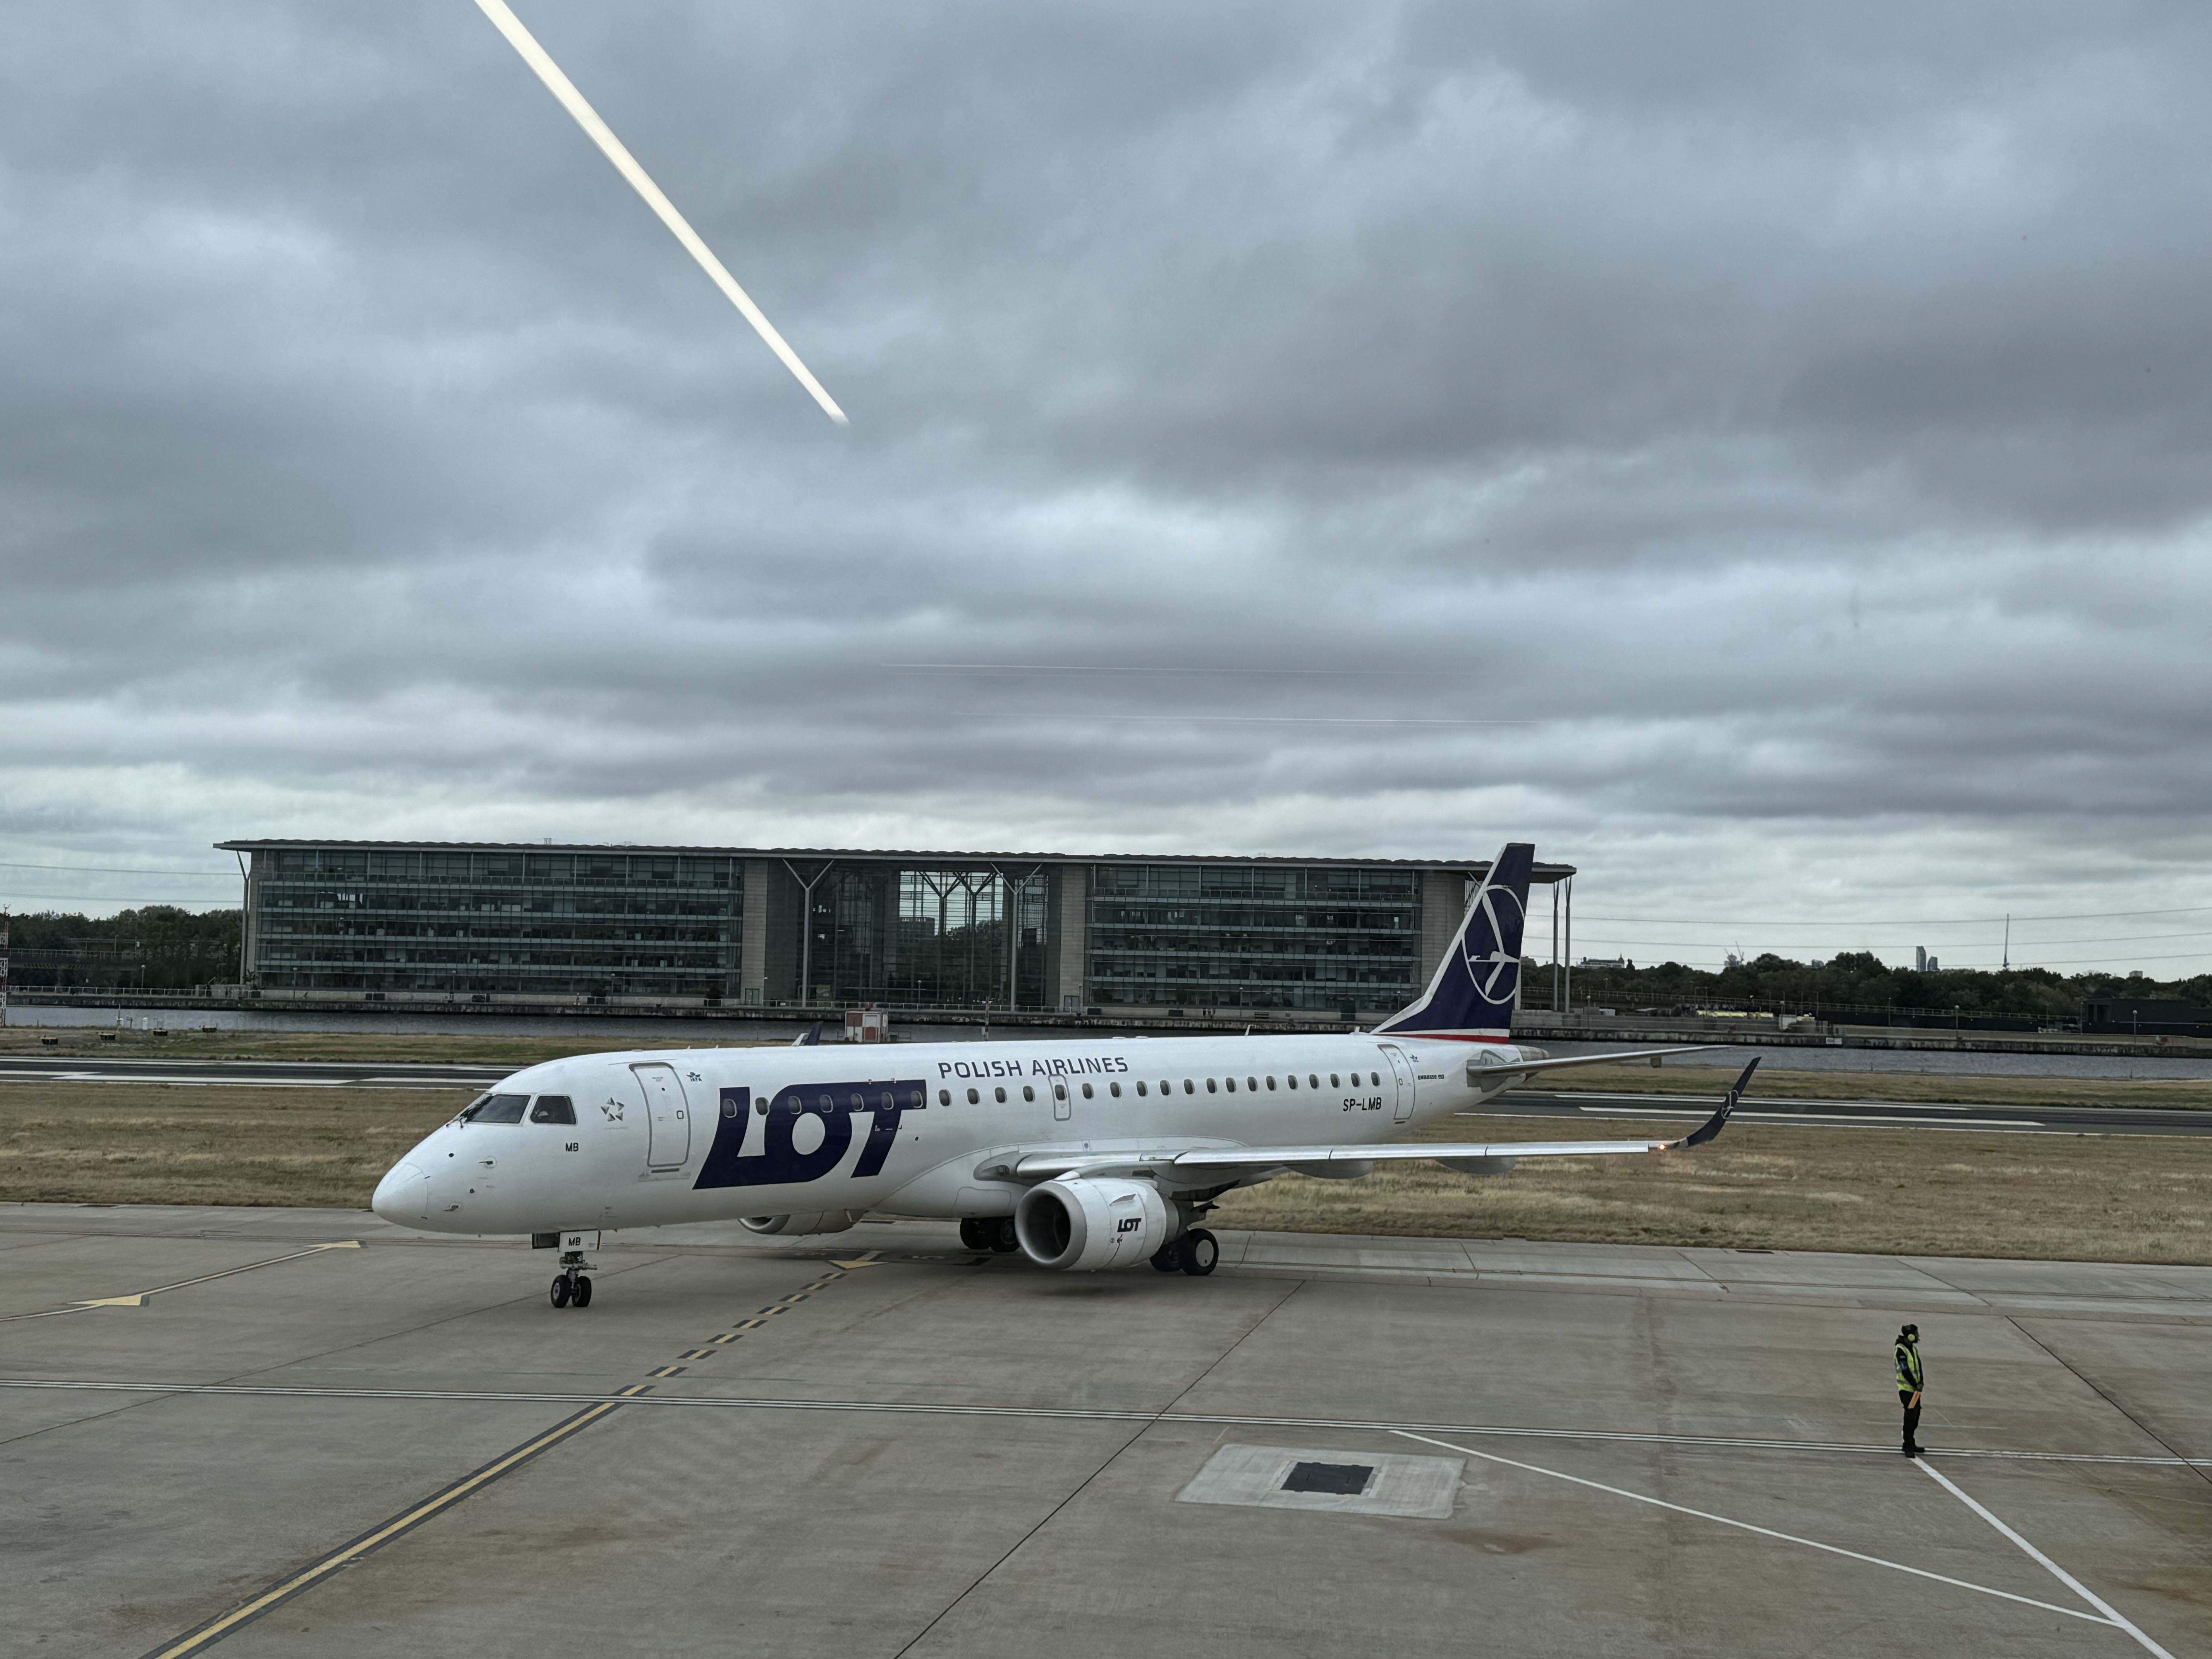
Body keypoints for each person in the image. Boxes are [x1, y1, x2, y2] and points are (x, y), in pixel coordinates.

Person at [1895, 1323, 1925, 1457]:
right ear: (1911, 1336)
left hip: (1915, 1390)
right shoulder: (1901, 1350)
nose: (1918, 1337)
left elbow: (1918, 1366)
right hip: (1907, 1390)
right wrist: (1915, 1384)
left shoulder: (1912, 1349)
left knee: (1916, 1416)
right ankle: (1907, 1446)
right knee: (1910, 1417)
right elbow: (1905, 1370)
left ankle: (1911, 1442)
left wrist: (1921, 1382)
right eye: (1916, 1334)